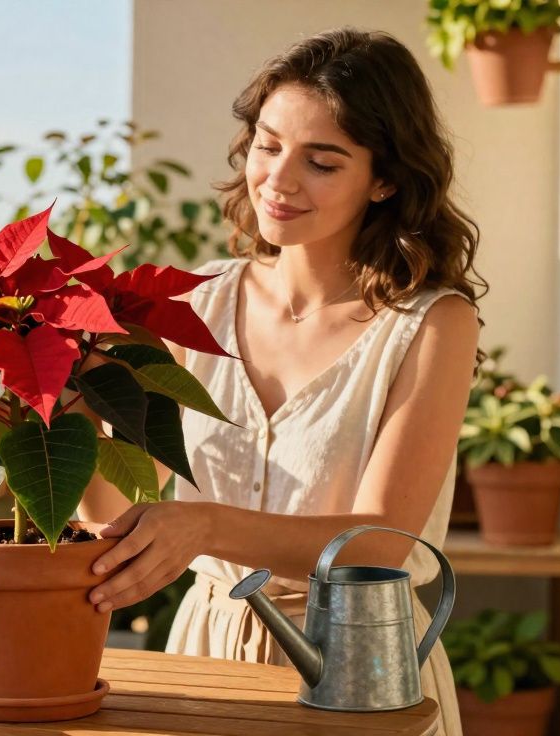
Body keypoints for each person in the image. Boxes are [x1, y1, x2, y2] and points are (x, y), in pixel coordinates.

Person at [76, 27, 484, 736]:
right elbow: (111, 511)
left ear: (384, 179)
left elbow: (379, 545)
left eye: (321, 162)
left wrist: (202, 524)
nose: (278, 180)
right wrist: (72, 398)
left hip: (362, 669)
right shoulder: (189, 304)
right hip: (202, 659)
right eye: (268, 146)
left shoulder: (433, 325)